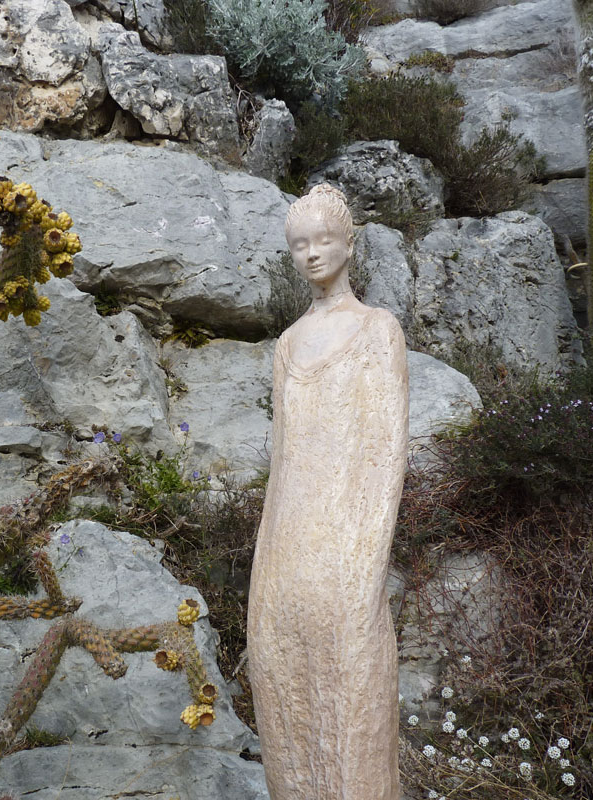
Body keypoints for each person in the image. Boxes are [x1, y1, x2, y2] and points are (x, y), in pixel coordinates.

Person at [247, 184, 408, 800]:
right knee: (289, 707)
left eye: (324, 241)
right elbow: (282, 463)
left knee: (353, 707)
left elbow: (387, 453)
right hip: (286, 551)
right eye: (299, 245)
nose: (312, 255)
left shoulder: (377, 330)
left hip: (348, 550)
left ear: (349, 244)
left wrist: (367, 558)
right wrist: (266, 561)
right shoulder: (287, 344)